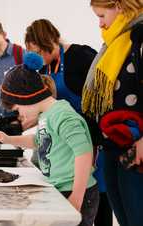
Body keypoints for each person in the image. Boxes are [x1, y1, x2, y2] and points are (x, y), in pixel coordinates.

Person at [0, 52, 99, 226]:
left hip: (76, 191)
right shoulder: (46, 115)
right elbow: (38, 141)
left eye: (18, 108)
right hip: (60, 188)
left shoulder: (63, 116)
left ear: (27, 97)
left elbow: (84, 153)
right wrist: (9, 139)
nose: (20, 114)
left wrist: (76, 199)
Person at [25, 19, 112, 226]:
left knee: (97, 195)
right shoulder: (44, 69)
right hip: (61, 145)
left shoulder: (80, 56)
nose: (36, 58)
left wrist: (95, 142)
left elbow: (104, 97)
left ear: (49, 42)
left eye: (38, 52)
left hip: (90, 139)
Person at [82, 1, 143, 226]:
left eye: (101, 15)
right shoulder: (114, 43)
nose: (100, 23)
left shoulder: (139, 37)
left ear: (119, 6)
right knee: (124, 220)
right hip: (111, 145)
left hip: (136, 148)